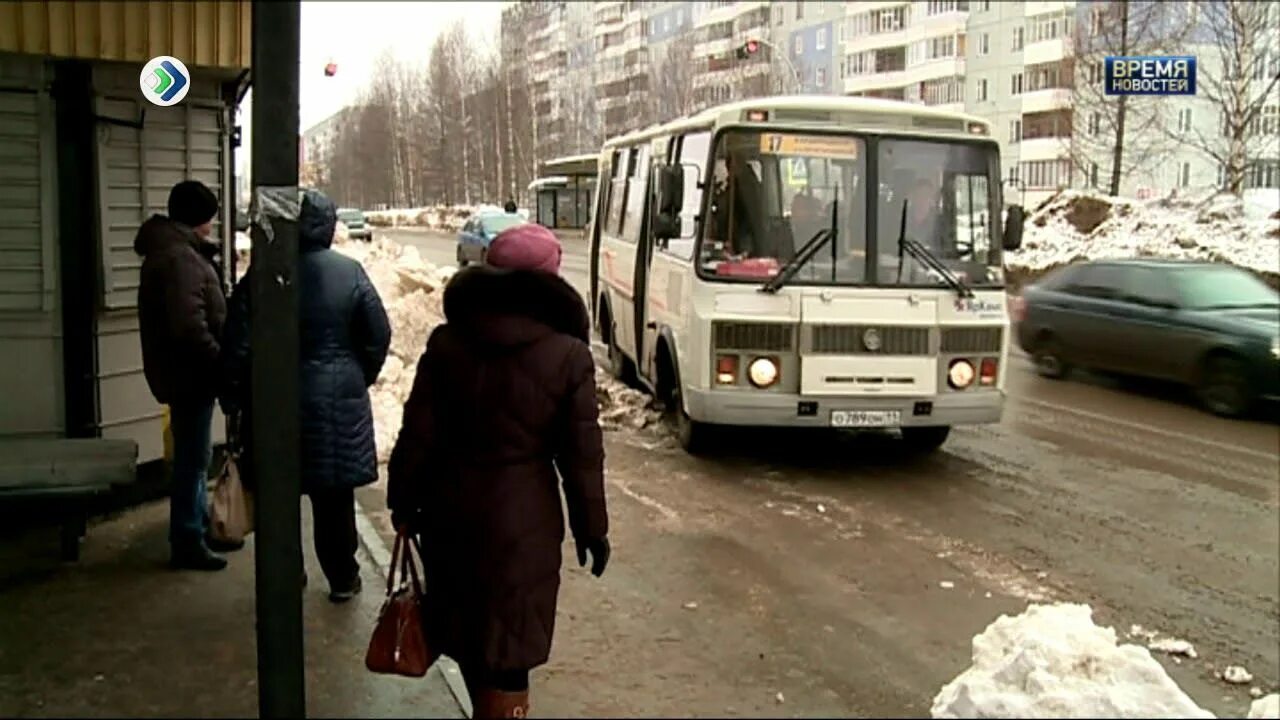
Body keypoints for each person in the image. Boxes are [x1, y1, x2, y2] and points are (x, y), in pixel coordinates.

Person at [386, 223, 609, 719]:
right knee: (510, 643)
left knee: (466, 632)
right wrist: (591, 528)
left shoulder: (447, 343)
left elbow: (418, 432)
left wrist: (403, 499)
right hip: (522, 520)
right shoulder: (567, 355)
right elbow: (580, 455)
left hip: (448, 511)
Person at [220, 189, 391, 602]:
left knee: (279, 497)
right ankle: (343, 577)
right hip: (336, 401)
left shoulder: (262, 277)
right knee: (334, 499)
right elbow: (377, 334)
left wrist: (235, 396)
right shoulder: (349, 273)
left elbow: (238, 347)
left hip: (274, 403)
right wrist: (355, 376)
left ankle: (286, 574)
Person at [135, 180, 231, 571]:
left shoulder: (175, 253)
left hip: (183, 373)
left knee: (196, 454)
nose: (211, 225)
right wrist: (219, 360)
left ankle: (197, 527)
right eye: (208, 217)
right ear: (196, 219)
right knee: (193, 458)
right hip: (190, 374)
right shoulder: (181, 259)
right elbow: (190, 325)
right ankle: (188, 537)